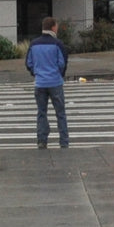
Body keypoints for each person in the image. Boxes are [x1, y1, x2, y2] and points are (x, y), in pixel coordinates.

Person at [26, 17, 69, 149]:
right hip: (55, 82)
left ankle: (42, 139)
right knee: (60, 113)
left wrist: (36, 73)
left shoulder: (34, 44)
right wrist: (59, 74)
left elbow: (29, 63)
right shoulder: (58, 44)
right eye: (56, 26)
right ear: (53, 28)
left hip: (40, 83)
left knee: (41, 112)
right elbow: (62, 63)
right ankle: (63, 141)